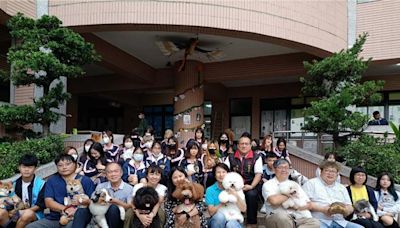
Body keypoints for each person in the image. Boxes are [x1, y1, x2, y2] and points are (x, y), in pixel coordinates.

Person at [26, 154, 95, 228]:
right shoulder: (52, 180)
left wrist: (82, 204)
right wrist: (66, 209)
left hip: (77, 218)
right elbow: (48, 202)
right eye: (60, 165)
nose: (64, 167)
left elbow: (93, 202)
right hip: (54, 218)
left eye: (68, 164)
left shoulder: (85, 180)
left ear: (75, 164)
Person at [302, 161, 363, 228]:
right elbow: (304, 203)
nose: (330, 174)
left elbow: (350, 206)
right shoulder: (311, 183)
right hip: (319, 221)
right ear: (321, 172)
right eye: (327, 171)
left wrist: (346, 211)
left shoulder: (342, 188)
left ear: (337, 174)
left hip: (340, 222)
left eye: (333, 171)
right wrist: (323, 209)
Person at [262, 158, 320, 228]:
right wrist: (291, 194)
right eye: (280, 167)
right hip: (275, 216)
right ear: (274, 170)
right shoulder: (268, 184)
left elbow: (307, 203)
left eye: (286, 167)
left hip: (296, 217)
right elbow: (274, 201)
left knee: (315, 223)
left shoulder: (294, 184)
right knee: (282, 217)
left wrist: (297, 207)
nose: (284, 170)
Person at [73, 162, 133, 228]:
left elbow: (130, 207)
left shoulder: (129, 188)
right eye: (110, 172)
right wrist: (86, 201)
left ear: (121, 173)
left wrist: (116, 202)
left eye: (116, 171)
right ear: (106, 175)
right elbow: (92, 201)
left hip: (118, 220)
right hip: (100, 216)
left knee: (113, 208)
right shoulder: (100, 186)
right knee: (81, 211)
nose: (113, 174)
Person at [224, 134, 262, 227]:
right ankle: (231, 220)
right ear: (238, 145)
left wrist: (252, 186)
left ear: (250, 145)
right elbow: (224, 171)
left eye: (246, 144)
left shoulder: (256, 157)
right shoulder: (230, 157)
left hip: (250, 185)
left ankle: (251, 223)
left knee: (251, 194)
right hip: (233, 186)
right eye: (242, 144)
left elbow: (258, 174)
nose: (244, 146)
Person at [0, 155, 46, 228]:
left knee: (27, 213)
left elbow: (41, 204)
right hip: (15, 212)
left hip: (34, 214)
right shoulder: (14, 184)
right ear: (19, 168)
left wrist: (21, 212)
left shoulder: (41, 184)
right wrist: (10, 210)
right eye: (24, 167)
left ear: (35, 169)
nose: (26, 170)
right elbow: (9, 199)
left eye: (30, 167)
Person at [206, 163, 246, 228]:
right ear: (214, 175)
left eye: (224, 172)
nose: (221, 175)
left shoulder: (235, 187)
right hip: (217, 221)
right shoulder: (210, 190)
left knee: (231, 224)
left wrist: (235, 194)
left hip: (233, 218)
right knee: (219, 217)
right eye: (218, 172)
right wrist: (222, 203)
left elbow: (243, 209)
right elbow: (211, 212)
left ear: (228, 174)